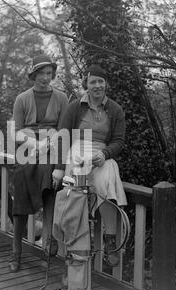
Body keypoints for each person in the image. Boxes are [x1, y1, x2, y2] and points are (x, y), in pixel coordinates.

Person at [52, 64, 127, 266]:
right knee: (76, 194)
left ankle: (110, 239)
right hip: (76, 151)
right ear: (87, 84)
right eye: (93, 82)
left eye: (100, 82)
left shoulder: (115, 109)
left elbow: (119, 140)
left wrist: (105, 153)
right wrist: (59, 167)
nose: (97, 86)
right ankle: (74, 252)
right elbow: (63, 137)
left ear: (106, 84)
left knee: (106, 183)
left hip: (101, 153)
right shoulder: (75, 106)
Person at [9, 54, 68, 272]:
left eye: (49, 73)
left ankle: (48, 236)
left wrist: (50, 146)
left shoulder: (61, 98)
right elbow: (16, 133)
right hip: (27, 148)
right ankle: (16, 253)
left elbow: (63, 132)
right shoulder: (22, 99)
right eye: (41, 73)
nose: (45, 77)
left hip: (52, 148)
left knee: (50, 178)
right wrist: (35, 145)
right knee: (22, 183)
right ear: (33, 74)